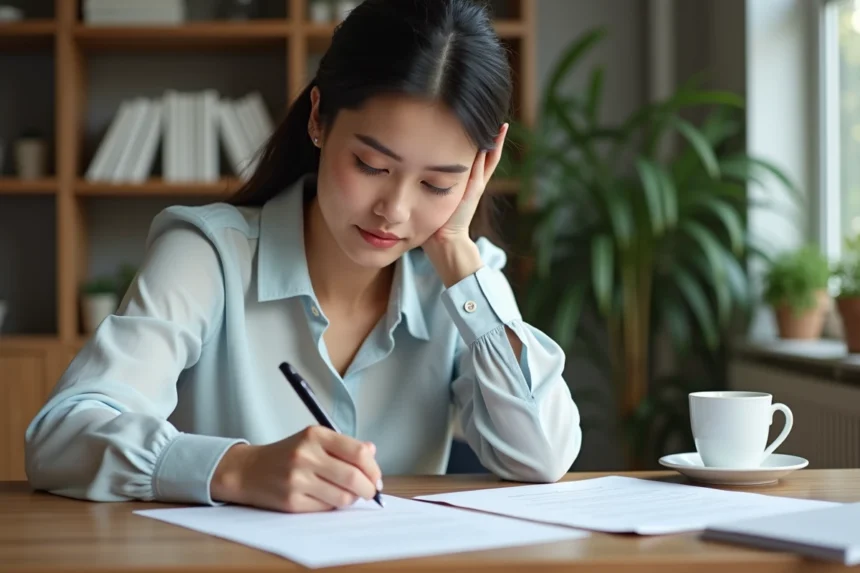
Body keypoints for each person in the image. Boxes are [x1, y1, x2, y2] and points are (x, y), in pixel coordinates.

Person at [24, 0, 582, 514]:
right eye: (371, 166)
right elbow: (62, 434)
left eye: (437, 184)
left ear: (480, 171)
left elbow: (542, 456)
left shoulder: (461, 286)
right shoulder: (208, 257)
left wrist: (457, 250)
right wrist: (235, 468)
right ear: (318, 117)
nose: (394, 210)